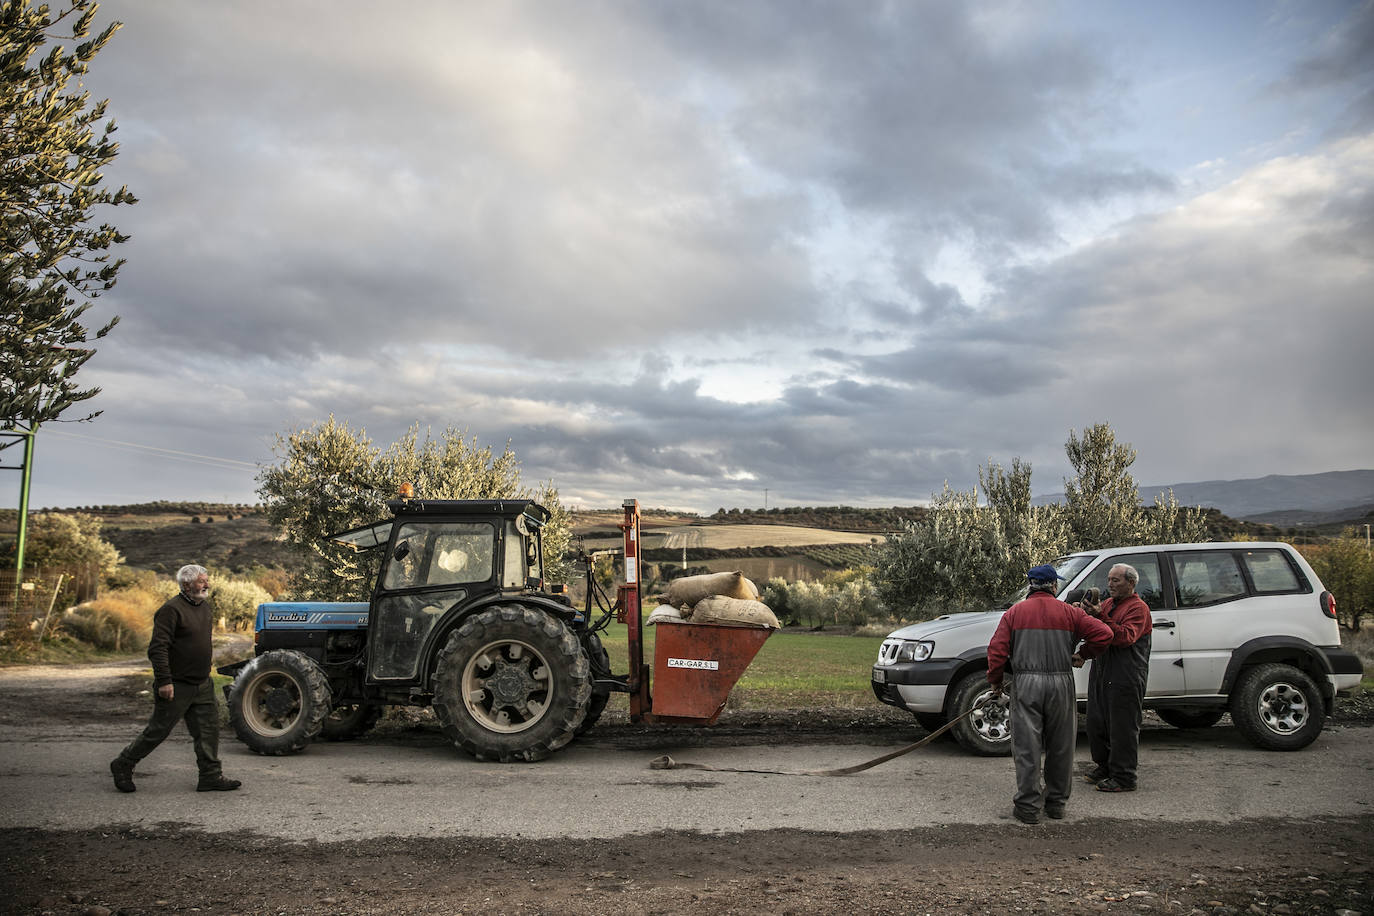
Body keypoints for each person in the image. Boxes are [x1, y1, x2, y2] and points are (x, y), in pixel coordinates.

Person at [988, 564, 1112, 824]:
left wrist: (996, 683)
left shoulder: (1014, 613)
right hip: (1060, 681)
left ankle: (1029, 807)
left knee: (1027, 747)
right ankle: (1056, 804)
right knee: (1061, 745)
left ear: (1031, 585)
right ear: (1054, 586)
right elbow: (1104, 633)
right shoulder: (1069, 612)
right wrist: (1083, 654)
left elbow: (997, 651)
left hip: (1026, 682)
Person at [109, 565, 240, 793]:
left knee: (208, 730)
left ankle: (210, 776)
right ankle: (123, 764)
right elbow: (158, 648)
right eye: (201, 581)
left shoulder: (205, 608)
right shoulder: (171, 610)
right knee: (158, 730)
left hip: (202, 683)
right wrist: (164, 681)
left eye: (207, 581)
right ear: (187, 585)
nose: (206, 585)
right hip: (176, 684)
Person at [1079, 563, 1152, 793]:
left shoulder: (1139, 609)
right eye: (1109, 580)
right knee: (1096, 722)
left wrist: (1100, 616)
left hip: (1126, 675)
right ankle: (1105, 766)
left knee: (1122, 727)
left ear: (1131, 583)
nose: (1110, 585)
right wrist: (1083, 653)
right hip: (1102, 672)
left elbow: (1124, 637)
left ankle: (1124, 776)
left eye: (1116, 580)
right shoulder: (1109, 604)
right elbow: (1098, 637)